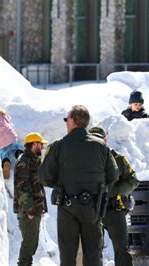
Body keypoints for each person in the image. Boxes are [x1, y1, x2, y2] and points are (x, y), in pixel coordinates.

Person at [38, 105, 119, 266]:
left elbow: (43, 176)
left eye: (67, 119)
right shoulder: (101, 146)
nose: (66, 123)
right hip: (93, 206)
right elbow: (114, 174)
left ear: (73, 121)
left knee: (68, 254)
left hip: (67, 205)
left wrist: (60, 183)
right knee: (93, 253)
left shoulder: (58, 146)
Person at [89, 126, 139, 266]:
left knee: (121, 249)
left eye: (99, 139)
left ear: (105, 139)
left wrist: (116, 192)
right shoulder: (84, 162)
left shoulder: (118, 159)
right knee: (92, 250)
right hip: (92, 211)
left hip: (114, 210)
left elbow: (133, 180)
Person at [14, 132, 48, 266]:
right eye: (41, 144)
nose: (42, 147)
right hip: (29, 211)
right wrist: (30, 210)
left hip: (34, 209)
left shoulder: (34, 160)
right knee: (28, 244)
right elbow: (22, 188)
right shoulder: (24, 162)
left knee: (32, 244)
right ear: (34, 144)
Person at [0, 105, 23, 180]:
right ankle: (20, 155)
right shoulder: (1, 114)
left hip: (0, 140)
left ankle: (5, 161)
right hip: (10, 136)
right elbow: (8, 121)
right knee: (15, 148)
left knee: (3, 153)